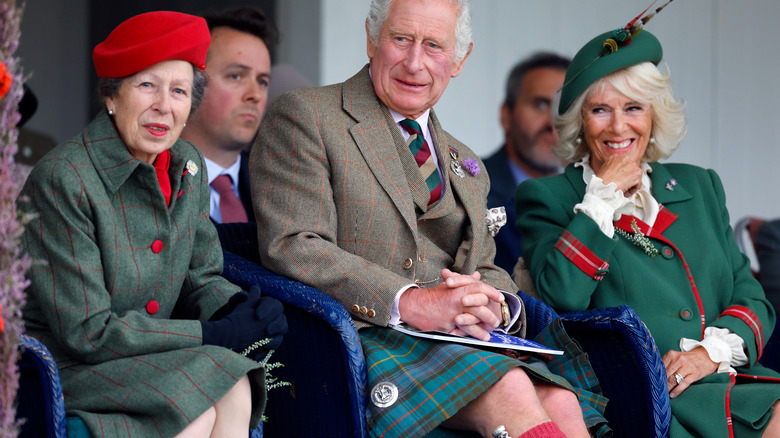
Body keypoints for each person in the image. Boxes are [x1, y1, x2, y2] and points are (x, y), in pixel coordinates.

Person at [251, 1, 609, 437]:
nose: (415, 63)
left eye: (434, 45)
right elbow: (293, 243)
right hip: (363, 339)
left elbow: (484, 267)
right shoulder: (306, 115)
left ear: (459, 59)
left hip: (463, 341)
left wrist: (494, 305)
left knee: (564, 402)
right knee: (513, 389)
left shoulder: (466, 160)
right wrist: (413, 302)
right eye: (401, 39)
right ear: (371, 38)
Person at [18, 11, 287, 438]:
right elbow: (87, 332)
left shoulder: (187, 164)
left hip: (151, 358)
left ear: (190, 105)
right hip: (72, 364)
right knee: (196, 408)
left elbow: (200, 275)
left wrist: (235, 307)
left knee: (236, 382)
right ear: (112, 96)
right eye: (147, 85)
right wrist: (212, 332)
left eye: (179, 91)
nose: (164, 105)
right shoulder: (64, 179)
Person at [515, 23, 780, 437]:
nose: (619, 127)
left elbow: (753, 301)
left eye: (634, 108)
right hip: (644, 401)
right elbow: (561, 297)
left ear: (654, 115)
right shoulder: (550, 197)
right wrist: (602, 199)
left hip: (729, 383)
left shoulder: (699, 185)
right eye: (600, 110)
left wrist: (710, 353)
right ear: (580, 122)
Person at [181, 6, 278, 223]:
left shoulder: (278, 186)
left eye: (262, 81)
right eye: (236, 76)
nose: (255, 95)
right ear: (188, 82)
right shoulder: (147, 178)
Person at [483, 52, 570, 273]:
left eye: (565, 109)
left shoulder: (591, 197)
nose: (554, 124)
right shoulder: (469, 187)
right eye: (541, 105)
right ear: (506, 116)